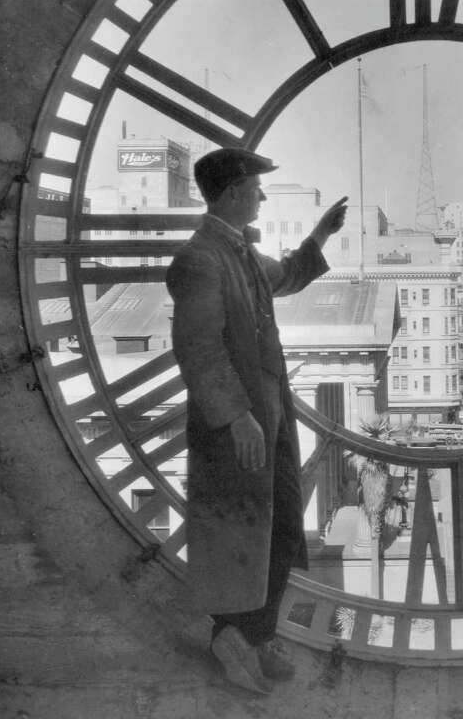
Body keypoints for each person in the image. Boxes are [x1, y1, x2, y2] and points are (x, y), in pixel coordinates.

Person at [166, 146, 347, 694]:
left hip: (267, 417)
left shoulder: (237, 253)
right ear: (231, 193)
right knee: (240, 530)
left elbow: (288, 276)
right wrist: (238, 416)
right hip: (239, 425)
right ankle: (232, 637)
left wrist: (319, 235)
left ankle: (255, 636)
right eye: (255, 188)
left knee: (282, 526)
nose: (263, 196)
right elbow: (198, 349)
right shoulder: (201, 259)